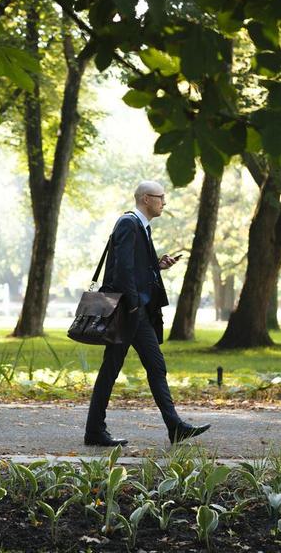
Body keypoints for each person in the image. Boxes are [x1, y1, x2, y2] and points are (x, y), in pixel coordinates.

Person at [84, 181, 211, 447]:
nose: (164, 201)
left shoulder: (141, 226)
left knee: (153, 366)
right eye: (160, 197)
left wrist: (158, 265)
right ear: (145, 199)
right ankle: (96, 431)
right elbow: (122, 270)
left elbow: (136, 268)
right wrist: (132, 306)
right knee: (113, 369)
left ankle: (174, 425)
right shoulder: (128, 223)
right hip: (130, 311)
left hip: (137, 311)